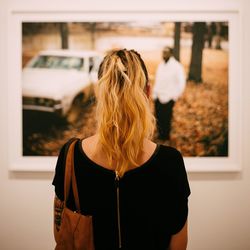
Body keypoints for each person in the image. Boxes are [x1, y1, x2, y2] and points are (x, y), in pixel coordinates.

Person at [52, 49, 190, 250]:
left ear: (100, 93)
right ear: (148, 92)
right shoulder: (170, 163)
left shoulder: (71, 156)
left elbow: (61, 234)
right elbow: (178, 246)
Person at [153, 46, 186, 141]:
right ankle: (160, 135)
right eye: (163, 52)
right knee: (158, 117)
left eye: (166, 52)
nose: (164, 54)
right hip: (158, 96)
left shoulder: (177, 66)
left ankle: (165, 137)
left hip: (169, 97)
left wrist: (174, 96)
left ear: (171, 54)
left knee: (166, 118)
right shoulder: (161, 65)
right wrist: (155, 94)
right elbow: (157, 80)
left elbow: (181, 83)